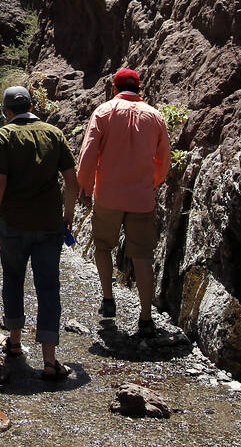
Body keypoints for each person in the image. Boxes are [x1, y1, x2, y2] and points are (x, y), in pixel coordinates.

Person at [0, 85, 79, 380]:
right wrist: (68, 214)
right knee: (48, 286)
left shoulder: (3, 135)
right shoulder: (54, 133)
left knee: (13, 279)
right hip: (50, 224)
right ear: (32, 105)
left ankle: (14, 344)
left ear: (6, 111)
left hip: (14, 223)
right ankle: (50, 362)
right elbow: (72, 181)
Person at [75, 68, 171, 337]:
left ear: (113, 88)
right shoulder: (155, 116)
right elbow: (164, 160)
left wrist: (86, 185)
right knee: (142, 255)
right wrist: (151, 183)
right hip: (141, 198)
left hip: (108, 195)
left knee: (103, 246)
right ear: (139, 88)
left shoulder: (103, 112)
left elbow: (88, 154)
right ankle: (145, 317)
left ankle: (108, 300)